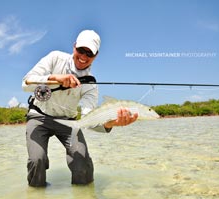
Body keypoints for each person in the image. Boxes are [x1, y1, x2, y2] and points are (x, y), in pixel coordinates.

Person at [22, 30, 138, 187]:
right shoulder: (55, 57)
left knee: (82, 162)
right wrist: (54, 78)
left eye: (89, 53)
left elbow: (88, 117)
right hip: (39, 117)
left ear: (96, 56)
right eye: (81, 50)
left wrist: (109, 124)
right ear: (74, 47)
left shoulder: (91, 85)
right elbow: (26, 83)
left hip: (69, 122)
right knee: (37, 160)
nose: (83, 56)